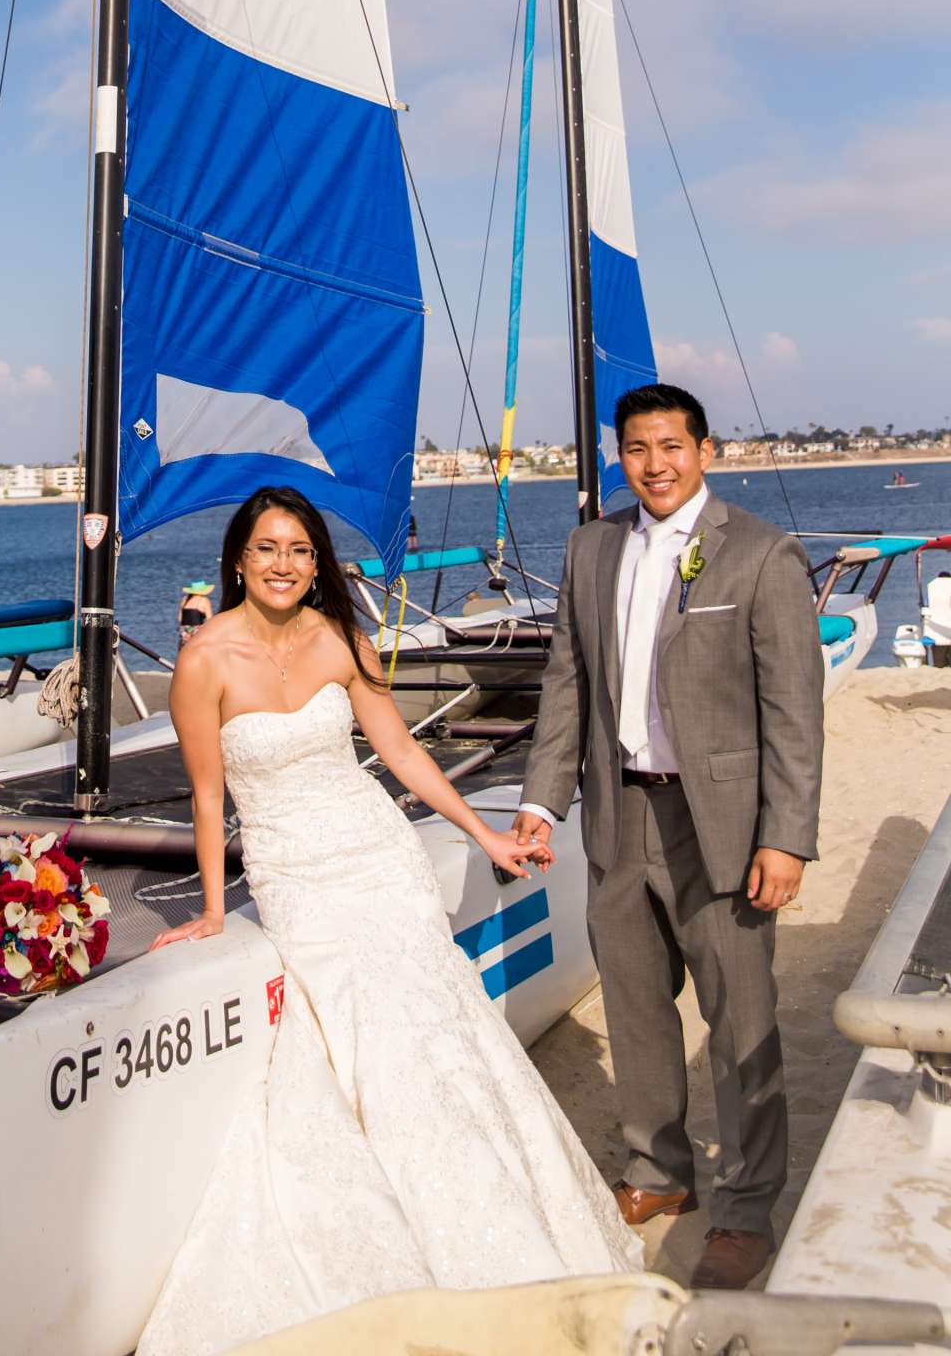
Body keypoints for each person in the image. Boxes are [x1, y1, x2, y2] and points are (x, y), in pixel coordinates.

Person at [138, 485, 637, 1356]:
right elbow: (210, 795)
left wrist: (483, 830)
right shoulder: (204, 660)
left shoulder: (344, 639)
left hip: (380, 861)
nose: (284, 564)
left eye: (299, 549)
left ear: (315, 560)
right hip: (298, 878)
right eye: (267, 549)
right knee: (367, 1046)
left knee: (436, 1039)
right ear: (237, 560)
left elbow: (400, 752)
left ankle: (497, 1234)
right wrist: (217, 910)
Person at [514, 383, 824, 1292]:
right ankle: (658, 1173)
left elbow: (794, 717)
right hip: (620, 811)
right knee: (637, 1009)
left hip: (721, 825)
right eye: (637, 449)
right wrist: (542, 801)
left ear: (704, 450)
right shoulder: (591, 547)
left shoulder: (764, 556)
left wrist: (787, 839)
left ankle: (745, 1208)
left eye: (671, 447)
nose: (654, 464)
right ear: (620, 456)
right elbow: (567, 683)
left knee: (740, 1021)